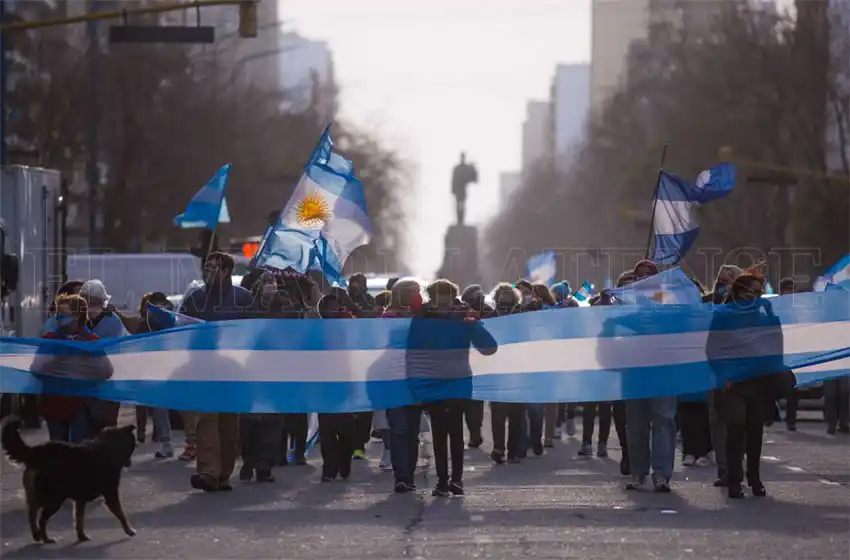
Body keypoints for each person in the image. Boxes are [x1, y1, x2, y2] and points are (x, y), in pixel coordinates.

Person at [712, 271, 794, 498]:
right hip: (733, 384)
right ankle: (734, 479)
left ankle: (755, 477)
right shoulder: (723, 317)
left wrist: (771, 317)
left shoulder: (764, 317)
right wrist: (723, 376)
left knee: (755, 430)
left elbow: (777, 346)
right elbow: (713, 348)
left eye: (760, 293)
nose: (757, 296)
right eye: (753, 292)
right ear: (740, 292)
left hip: (759, 382)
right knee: (736, 429)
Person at [180, 252, 254, 492]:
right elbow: (182, 329)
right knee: (206, 420)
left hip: (233, 370)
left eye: (214, 267)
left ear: (226, 272)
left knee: (228, 424)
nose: (208, 271)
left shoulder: (243, 298)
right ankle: (208, 472)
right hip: (204, 367)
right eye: (207, 266)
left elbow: (254, 332)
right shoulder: (196, 298)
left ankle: (223, 474)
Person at [418, 279, 496, 496]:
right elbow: (412, 350)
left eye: (447, 300)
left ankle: (457, 479)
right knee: (440, 434)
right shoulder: (422, 319)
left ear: (454, 298)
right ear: (431, 299)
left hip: (458, 381)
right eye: (438, 300)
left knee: (454, 431)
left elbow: (490, 348)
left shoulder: (463, 318)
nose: (443, 306)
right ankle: (443, 480)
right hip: (432, 381)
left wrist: (473, 324)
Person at [625, 261, 677, 492]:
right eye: (639, 275)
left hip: (663, 372)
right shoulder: (624, 305)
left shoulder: (668, 304)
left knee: (663, 421)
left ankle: (661, 474)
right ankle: (638, 473)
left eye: (648, 275)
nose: (643, 278)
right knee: (636, 425)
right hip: (634, 372)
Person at [238, 271, 290, 482]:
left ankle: (264, 466)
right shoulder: (248, 309)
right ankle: (248, 461)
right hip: (251, 370)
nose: (271, 286)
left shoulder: (283, 308)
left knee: (272, 421)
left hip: (275, 371)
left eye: (274, 282)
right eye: (266, 282)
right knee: (249, 421)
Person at [702, 264, 743, 487]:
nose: (723, 283)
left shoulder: (746, 305)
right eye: (721, 279)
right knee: (717, 420)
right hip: (715, 369)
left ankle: (738, 466)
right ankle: (725, 470)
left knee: (738, 422)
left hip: (740, 372)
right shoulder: (708, 303)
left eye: (729, 279)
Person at [38, 294, 99, 443]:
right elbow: (36, 368)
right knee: (58, 452)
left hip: (81, 405)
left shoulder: (91, 341)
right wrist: (55, 358)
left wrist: (85, 360)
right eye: (57, 314)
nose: (58, 318)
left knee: (79, 451)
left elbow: (106, 371)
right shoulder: (50, 340)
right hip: (54, 404)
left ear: (77, 316)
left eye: (63, 315)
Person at [383, 278, 425, 493]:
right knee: (399, 430)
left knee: (412, 432)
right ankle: (401, 477)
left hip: (416, 380)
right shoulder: (388, 318)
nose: (417, 296)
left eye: (419, 291)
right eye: (413, 292)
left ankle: (408, 476)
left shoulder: (422, 317)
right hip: (395, 380)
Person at [315, 290, 359, 481]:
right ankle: (329, 469)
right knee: (327, 431)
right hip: (324, 386)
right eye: (331, 307)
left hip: (345, 383)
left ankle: (344, 463)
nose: (335, 310)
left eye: (337, 306)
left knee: (346, 430)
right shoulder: (316, 331)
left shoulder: (348, 328)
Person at [79, 279, 128, 436]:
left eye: (94, 302)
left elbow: (118, 349)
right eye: (86, 302)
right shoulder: (77, 321)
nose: (90, 306)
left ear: (102, 302)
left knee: (106, 428)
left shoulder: (113, 321)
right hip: (82, 385)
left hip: (108, 384)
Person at [134, 292, 175, 458]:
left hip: (171, 368)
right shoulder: (147, 323)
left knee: (186, 411)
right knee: (159, 408)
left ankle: (191, 443)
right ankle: (166, 442)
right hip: (156, 371)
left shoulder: (171, 320)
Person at [488, 283, 524, 464]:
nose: (505, 302)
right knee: (498, 414)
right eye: (502, 298)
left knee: (516, 415)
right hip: (496, 372)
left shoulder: (520, 318)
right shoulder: (489, 318)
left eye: (509, 298)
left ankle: (513, 450)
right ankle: (498, 447)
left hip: (517, 371)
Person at [459, 284, 490, 448]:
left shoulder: (488, 312)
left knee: (475, 401)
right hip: (464, 360)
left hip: (480, 361)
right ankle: (474, 433)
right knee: (470, 401)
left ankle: (475, 433)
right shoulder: (459, 312)